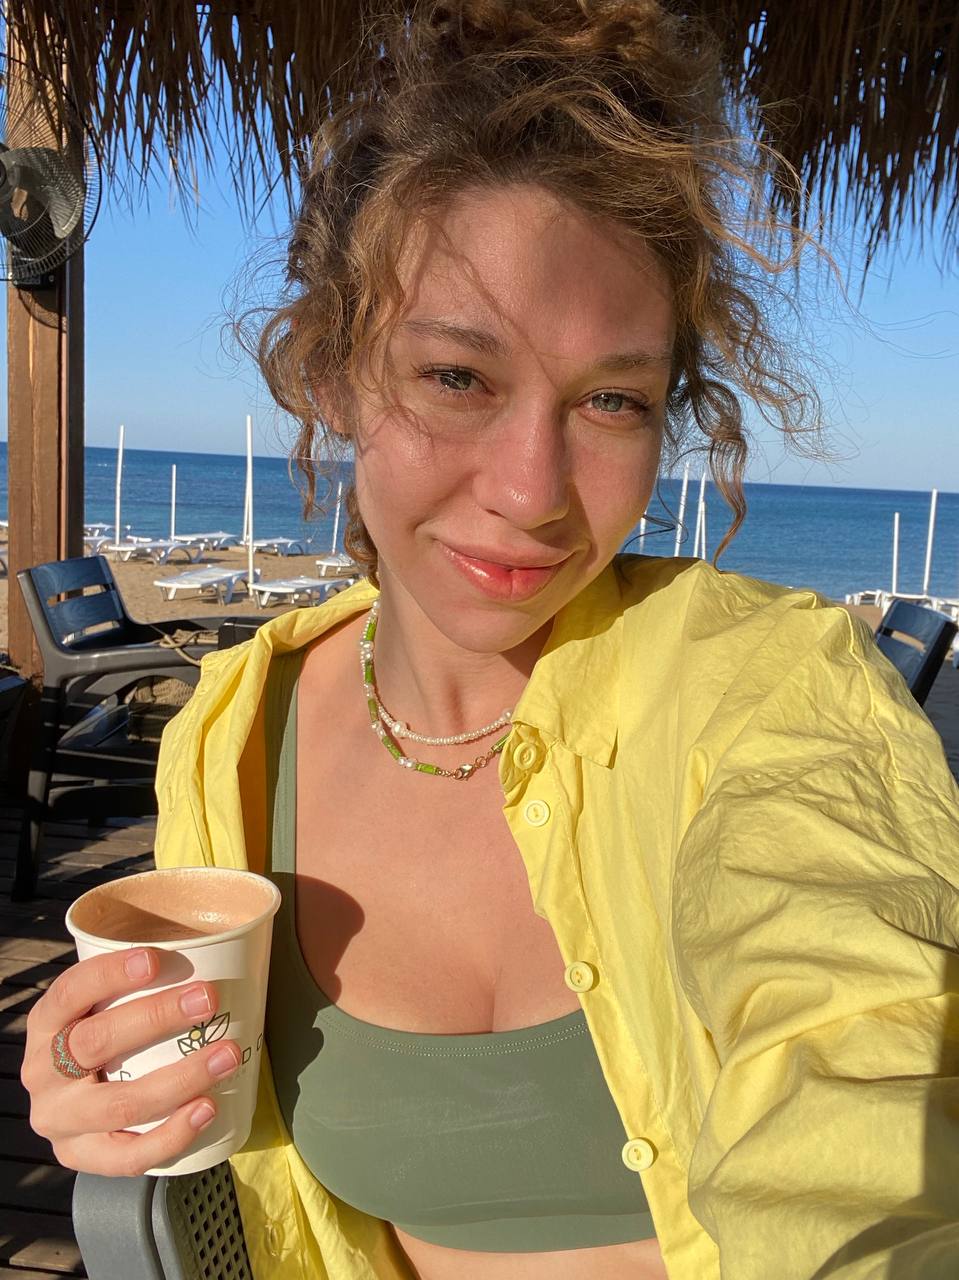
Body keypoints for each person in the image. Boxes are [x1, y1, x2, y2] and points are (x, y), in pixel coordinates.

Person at [20, 2, 959, 1278]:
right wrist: (106, 1084)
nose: (531, 490)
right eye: (457, 377)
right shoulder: (233, 740)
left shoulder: (771, 691)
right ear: (334, 371)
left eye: (610, 399)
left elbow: (866, 1048)